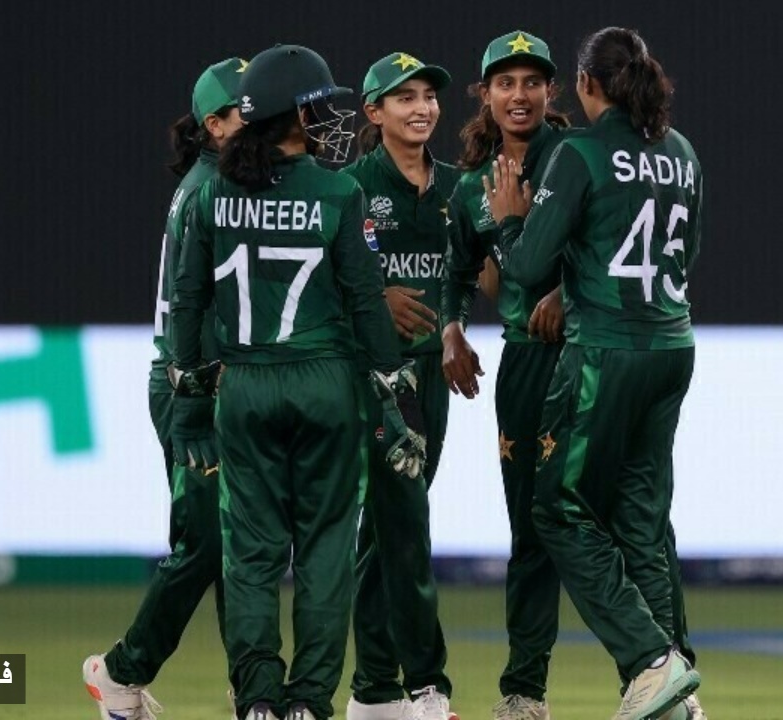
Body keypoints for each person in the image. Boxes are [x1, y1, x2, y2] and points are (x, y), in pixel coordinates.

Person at [170, 44, 427, 720]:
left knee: (251, 555)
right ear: (294, 113)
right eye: (318, 106)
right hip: (325, 386)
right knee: (324, 553)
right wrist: (397, 400)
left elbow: (187, 301)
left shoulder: (212, 192)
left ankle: (258, 697)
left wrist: (189, 404)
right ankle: (309, 701)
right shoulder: (340, 193)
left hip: (243, 385)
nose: (328, 117)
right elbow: (367, 305)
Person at [488, 26, 706, 720]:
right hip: (672, 345)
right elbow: (686, 253)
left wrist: (509, 221)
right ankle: (677, 698)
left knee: (557, 507)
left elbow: (526, 268)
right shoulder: (682, 152)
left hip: (605, 351)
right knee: (641, 521)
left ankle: (650, 662)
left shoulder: (579, 152)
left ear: (584, 84)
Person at [82, 56, 246, 720]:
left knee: (241, 545)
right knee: (207, 543)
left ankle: (253, 690)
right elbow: (194, 308)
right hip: (194, 381)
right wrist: (195, 391)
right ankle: (120, 672)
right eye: (250, 113)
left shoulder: (226, 184)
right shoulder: (213, 190)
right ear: (215, 125)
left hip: (215, 379)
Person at [440, 30, 571, 720]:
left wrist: (569, 291)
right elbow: (458, 273)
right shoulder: (471, 188)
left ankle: (659, 672)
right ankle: (525, 692)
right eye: (506, 83)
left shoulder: (578, 161)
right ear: (485, 94)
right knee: (530, 531)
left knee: (621, 523)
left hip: (589, 354)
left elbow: (613, 245)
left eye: (532, 82)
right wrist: (452, 327)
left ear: (551, 91)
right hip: (523, 361)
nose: (519, 95)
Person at [340, 52, 459, 720]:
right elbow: (314, 284)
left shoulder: (457, 187)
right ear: (374, 111)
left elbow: (479, 275)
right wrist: (373, 295)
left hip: (433, 375)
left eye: (428, 96)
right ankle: (427, 685)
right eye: (404, 97)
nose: (421, 108)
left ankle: (374, 691)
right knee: (406, 528)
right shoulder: (350, 188)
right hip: (379, 379)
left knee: (383, 534)